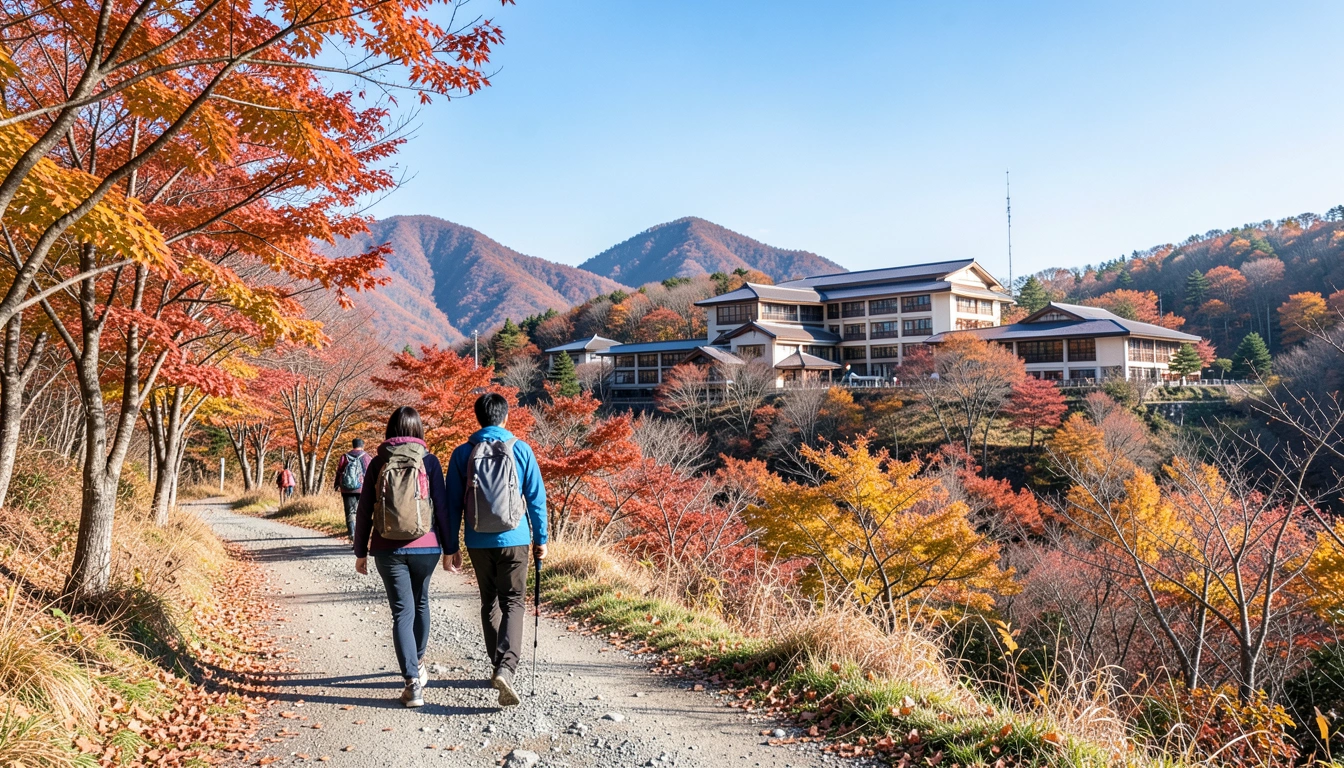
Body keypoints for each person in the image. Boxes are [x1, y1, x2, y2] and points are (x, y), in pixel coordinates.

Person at [444, 393, 547, 707]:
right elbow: (536, 498)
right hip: (515, 538)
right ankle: (506, 667)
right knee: (513, 600)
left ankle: (497, 664)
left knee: (489, 601)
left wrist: (451, 547)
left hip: (478, 540)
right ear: (505, 418)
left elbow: (451, 505)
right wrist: (541, 538)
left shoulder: (463, 452)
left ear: (478, 418)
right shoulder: (521, 449)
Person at [352, 407, 450, 708]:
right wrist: (450, 549)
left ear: (390, 430)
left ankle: (411, 683)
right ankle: (418, 664)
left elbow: (365, 508)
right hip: (427, 546)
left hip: (387, 548)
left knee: (401, 612)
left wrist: (360, 551)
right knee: (421, 603)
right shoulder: (430, 461)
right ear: (419, 429)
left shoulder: (379, 461)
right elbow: (442, 509)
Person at [334, 438, 372, 542]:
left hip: (347, 489)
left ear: (353, 444)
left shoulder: (345, 456)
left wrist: (337, 484)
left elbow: (339, 471)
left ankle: (352, 533)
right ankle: (362, 535)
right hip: (362, 489)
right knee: (362, 512)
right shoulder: (366, 457)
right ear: (362, 445)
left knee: (349, 511)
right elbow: (370, 473)